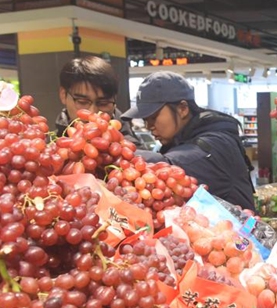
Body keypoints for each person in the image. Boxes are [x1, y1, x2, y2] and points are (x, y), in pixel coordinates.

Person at [122, 72, 256, 211]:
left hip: (238, 231)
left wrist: (119, 149)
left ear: (183, 109)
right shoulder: (179, 141)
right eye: (145, 120)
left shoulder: (216, 143)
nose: (149, 126)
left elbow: (170, 166)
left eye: (153, 117)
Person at [56, 55, 148, 153]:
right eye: (82, 102)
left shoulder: (133, 153)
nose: (93, 113)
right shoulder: (49, 148)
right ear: (63, 95)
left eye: (103, 103)